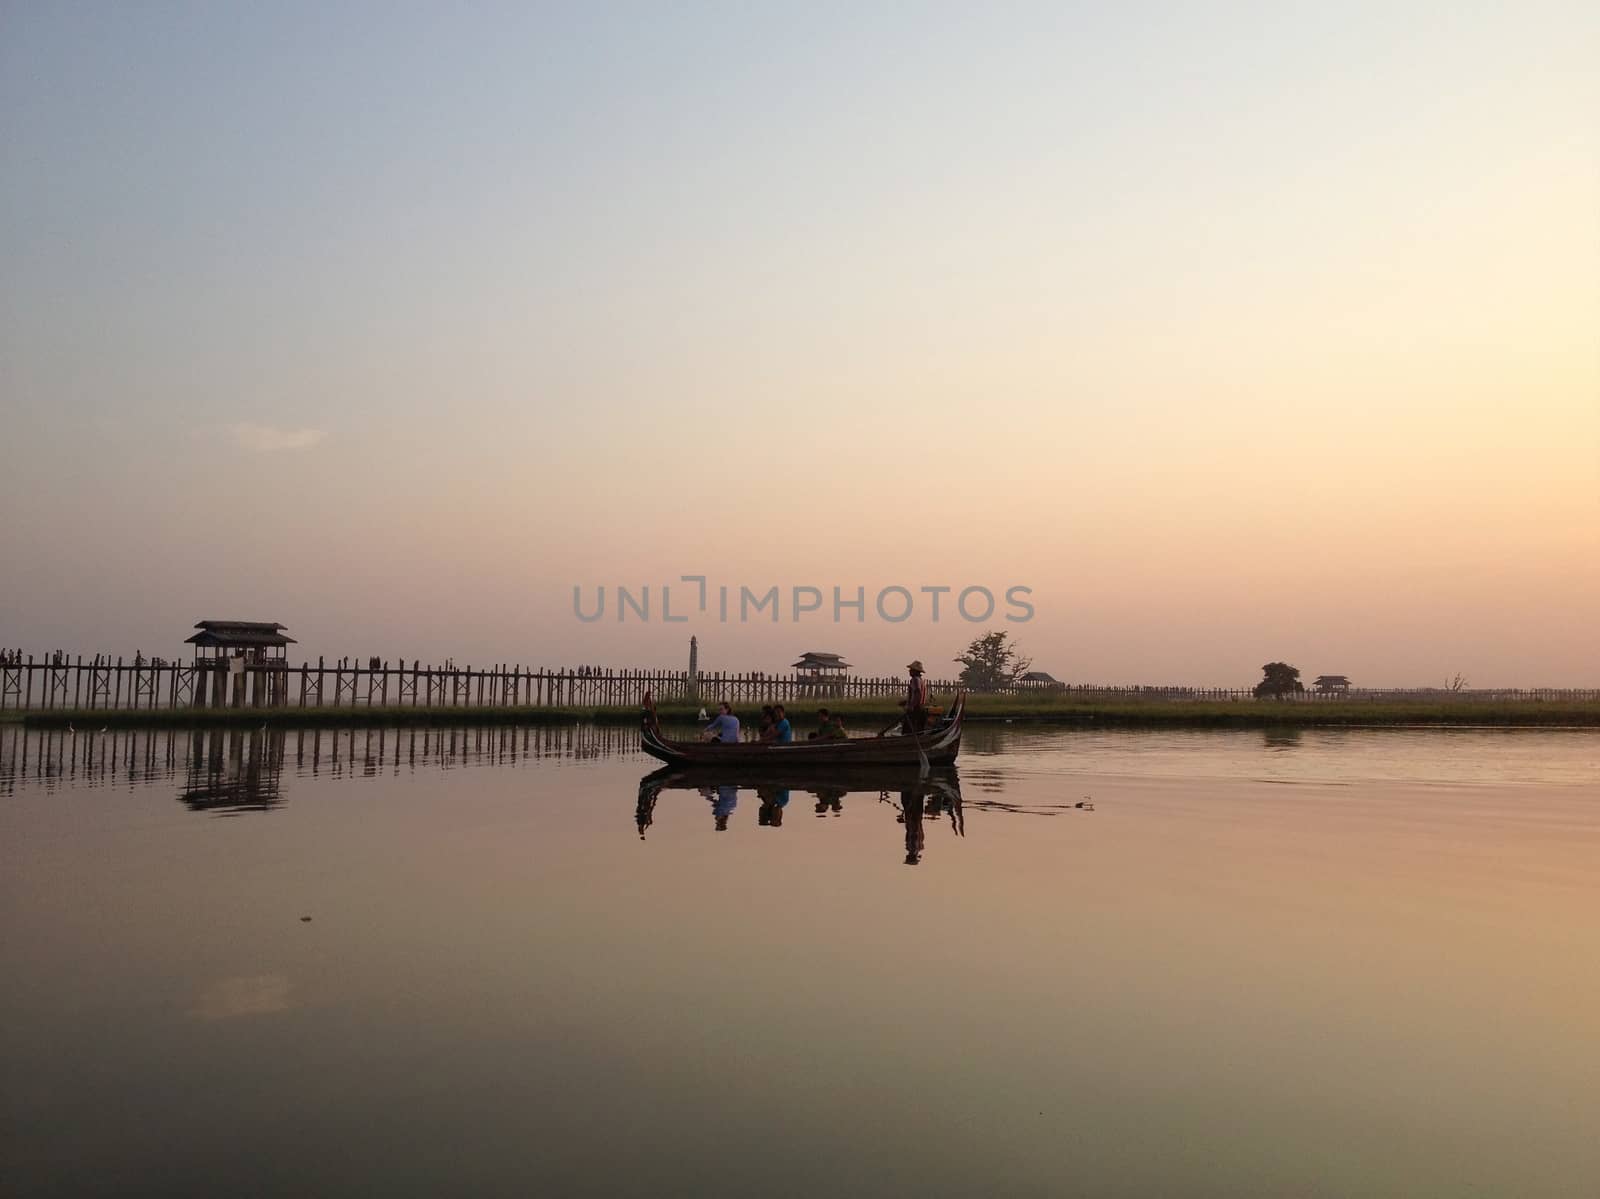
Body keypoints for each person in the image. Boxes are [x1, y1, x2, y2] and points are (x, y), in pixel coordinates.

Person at [899, 660, 931, 732]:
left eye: (911, 670)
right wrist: (906, 702)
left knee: (907, 731)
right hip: (921, 709)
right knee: (918, 731)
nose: (909, 671)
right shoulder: (921, 680)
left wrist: (911, 706)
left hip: (915, 709)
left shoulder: (915, 680)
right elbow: (916, 695)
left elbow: (918, 693)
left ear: (915, 671)